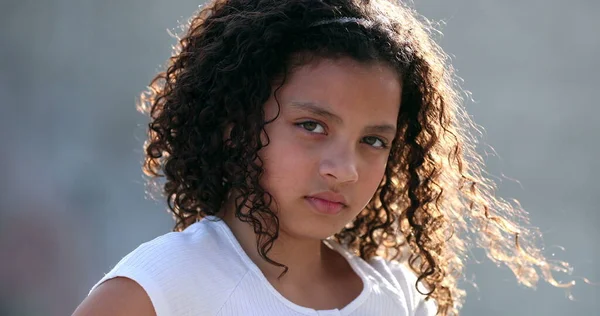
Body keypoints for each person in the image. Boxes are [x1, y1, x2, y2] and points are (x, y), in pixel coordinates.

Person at [73, 0, 573, 315]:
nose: (345, 168)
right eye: (312, 126)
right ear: (233, 124)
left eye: (373, 141)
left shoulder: (401, 299)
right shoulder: (157, 290)